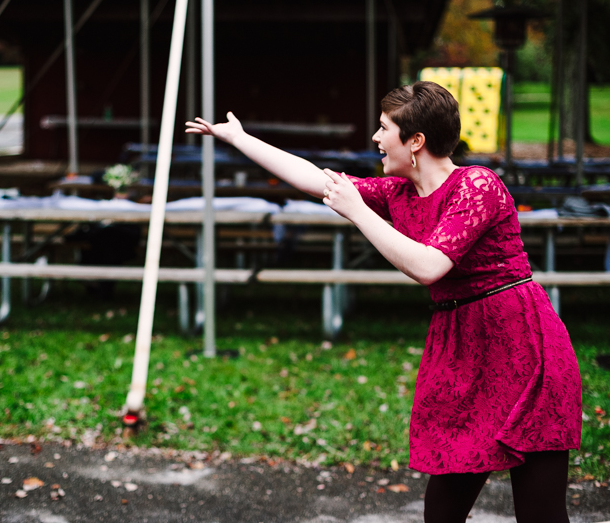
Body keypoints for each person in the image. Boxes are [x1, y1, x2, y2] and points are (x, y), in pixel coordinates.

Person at [186, 81, 582, 523]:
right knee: (442, 513)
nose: (375, 138)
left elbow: (429, 266)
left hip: (523, 348)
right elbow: (318, 180)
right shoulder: (397, 194)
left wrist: (357, 211)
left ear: (416, 141)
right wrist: (240, 139)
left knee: (541, 515)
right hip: (461, 350)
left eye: (383, 128)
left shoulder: (477, 186)